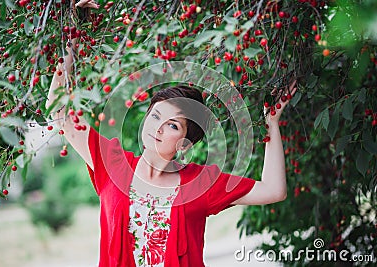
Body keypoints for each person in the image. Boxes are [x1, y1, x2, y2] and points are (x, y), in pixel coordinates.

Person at [46, 1, 297, 266]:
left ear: (185, 144)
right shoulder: (112, 164)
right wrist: (74, 31)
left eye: (173, 125)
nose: (158, 127)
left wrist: (272, 123)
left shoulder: (200, 184)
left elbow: (273, 189)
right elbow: (58, 107)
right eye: (155, 116)